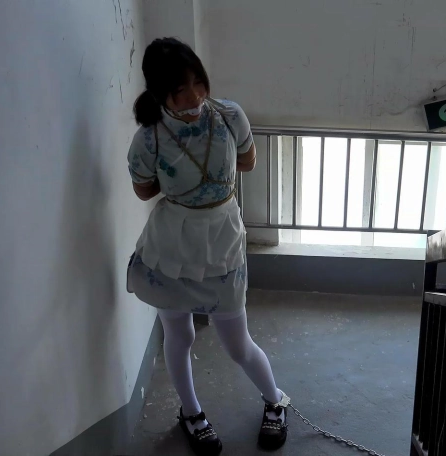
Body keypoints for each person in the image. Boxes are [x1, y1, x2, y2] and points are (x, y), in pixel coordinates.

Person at [125, 37, 287, 455]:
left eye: (199, 81)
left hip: (222, 240)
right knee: (178, 335)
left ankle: (275, 401)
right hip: (171, 246)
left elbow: (247, 161)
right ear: (160, 92)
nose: (195, 96)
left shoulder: (230, 115)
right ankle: (191, 413)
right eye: (180, 89)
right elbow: (144, 191)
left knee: (237, 342)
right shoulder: (148, 139)